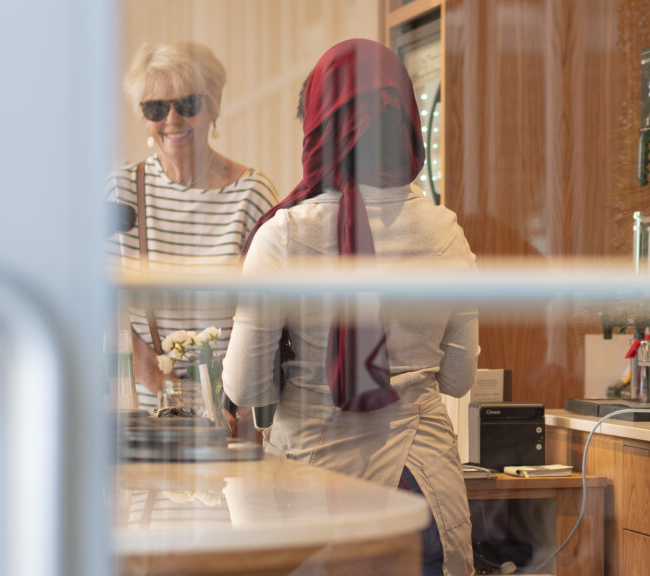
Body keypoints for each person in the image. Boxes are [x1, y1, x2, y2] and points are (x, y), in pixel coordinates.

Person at [222, 38, 478, 576]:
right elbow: (457, 379)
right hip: (422, 489)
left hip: (317, 490)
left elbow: (246, 388)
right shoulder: (445, 231)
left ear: (318, 124)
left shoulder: (285, 235)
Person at [107, 40, 278, 411]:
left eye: (187, 104)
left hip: (233, 412)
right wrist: (165, 387)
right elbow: (98, 304)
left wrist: (232, 405)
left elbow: (268, 314)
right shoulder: (122, 190)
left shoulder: (252, 194)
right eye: (155, 108)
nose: (172, 120)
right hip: (147, 413)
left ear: (213, 107)